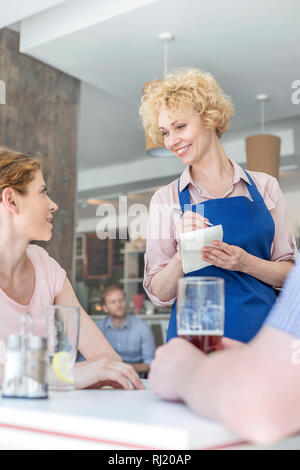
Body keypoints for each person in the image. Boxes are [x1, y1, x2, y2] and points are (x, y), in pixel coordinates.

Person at [139, 68, 297, 343]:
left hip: (260, 340)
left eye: (180, 126)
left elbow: (290, 277)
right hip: (195, 343)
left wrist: (244, 262)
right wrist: (182, 254)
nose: (172, 141)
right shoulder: (166, 200)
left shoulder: (264, 187)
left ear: (209, 118)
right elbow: (160, 294)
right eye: (164, 132)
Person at [0, 149, 144, 391]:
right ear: (11, 200)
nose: (53, 205)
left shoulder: (47, 268)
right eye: (43, 193)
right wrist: (69, 375)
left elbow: (108, 362)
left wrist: (68, 374)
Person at [149, 251, 300, 445]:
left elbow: (264, 405)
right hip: (258, 352)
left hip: (253, 349)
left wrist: (180, 367)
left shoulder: (278, 220)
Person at [79, 285, 155, 377]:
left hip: (136, 378)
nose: (118, 305)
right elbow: (82, 361)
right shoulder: (96, 329)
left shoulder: (142, 327)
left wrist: (124, 368)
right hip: (103, 379)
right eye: (113, 302)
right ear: (105, 308)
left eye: (121, 300)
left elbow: (150, 362)